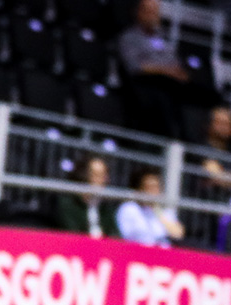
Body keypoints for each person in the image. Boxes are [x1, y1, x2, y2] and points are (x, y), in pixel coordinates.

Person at [117, 0, 211, 141]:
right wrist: (164, 71)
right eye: (148, 10)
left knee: (200, 96)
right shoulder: (129, 38)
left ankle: (188, 142)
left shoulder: (163, 38)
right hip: (144, 87)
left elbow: (174, 63)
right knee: (162, 98)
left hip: (170, 87)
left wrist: (180, 74)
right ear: (138, 12)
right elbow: (134, 67)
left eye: (155, 11)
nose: (152, 15)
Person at [115, 167, 183, 246]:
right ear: (140, 189)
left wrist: (157, 211)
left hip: (163, 253)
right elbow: (127, 237)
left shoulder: (164, 211)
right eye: (149, 187)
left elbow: (178, 234)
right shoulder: (129, 208)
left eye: (156, 187)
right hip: (138, 252)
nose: (152, 192)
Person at [56, 155, 118, 238]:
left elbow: (116, 237)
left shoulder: (106, 209)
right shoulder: (68, 205)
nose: (104, 181)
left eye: (104, 176)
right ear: (84, 176)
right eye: (97, 175)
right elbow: (72, 235)